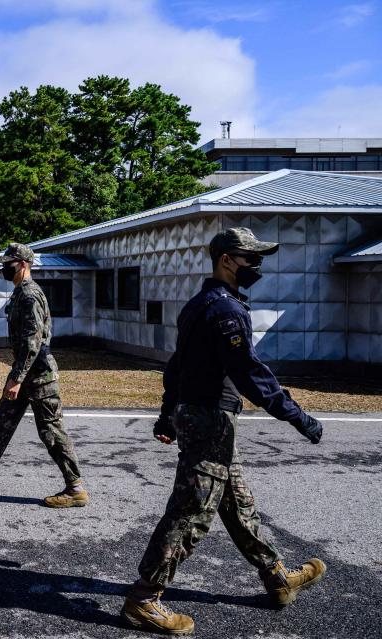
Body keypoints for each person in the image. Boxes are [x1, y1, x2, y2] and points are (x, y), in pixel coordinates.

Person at [121, 227, 326, 635]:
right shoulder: (225, 311)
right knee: (191, 510)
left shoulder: (200, 304)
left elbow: (177, 365)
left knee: (237, 503)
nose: (257, 265)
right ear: (226, 259)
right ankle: (144, 598)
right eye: (250, 257)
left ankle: (276, 575)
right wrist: (297, 416)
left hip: (202, 414)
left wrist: (167, 414)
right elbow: (248, 372)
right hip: (210, 418)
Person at [0, 242, 87, 508]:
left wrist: (17, 379)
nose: (4, 268)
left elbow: (33, 342)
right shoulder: (20, 293)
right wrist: (18, 377)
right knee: (1, 424)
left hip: (39, 376)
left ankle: (75, 488)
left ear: (22, 264)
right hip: (24, 372)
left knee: (52, 432)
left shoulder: (30, 295)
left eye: (7, 264)